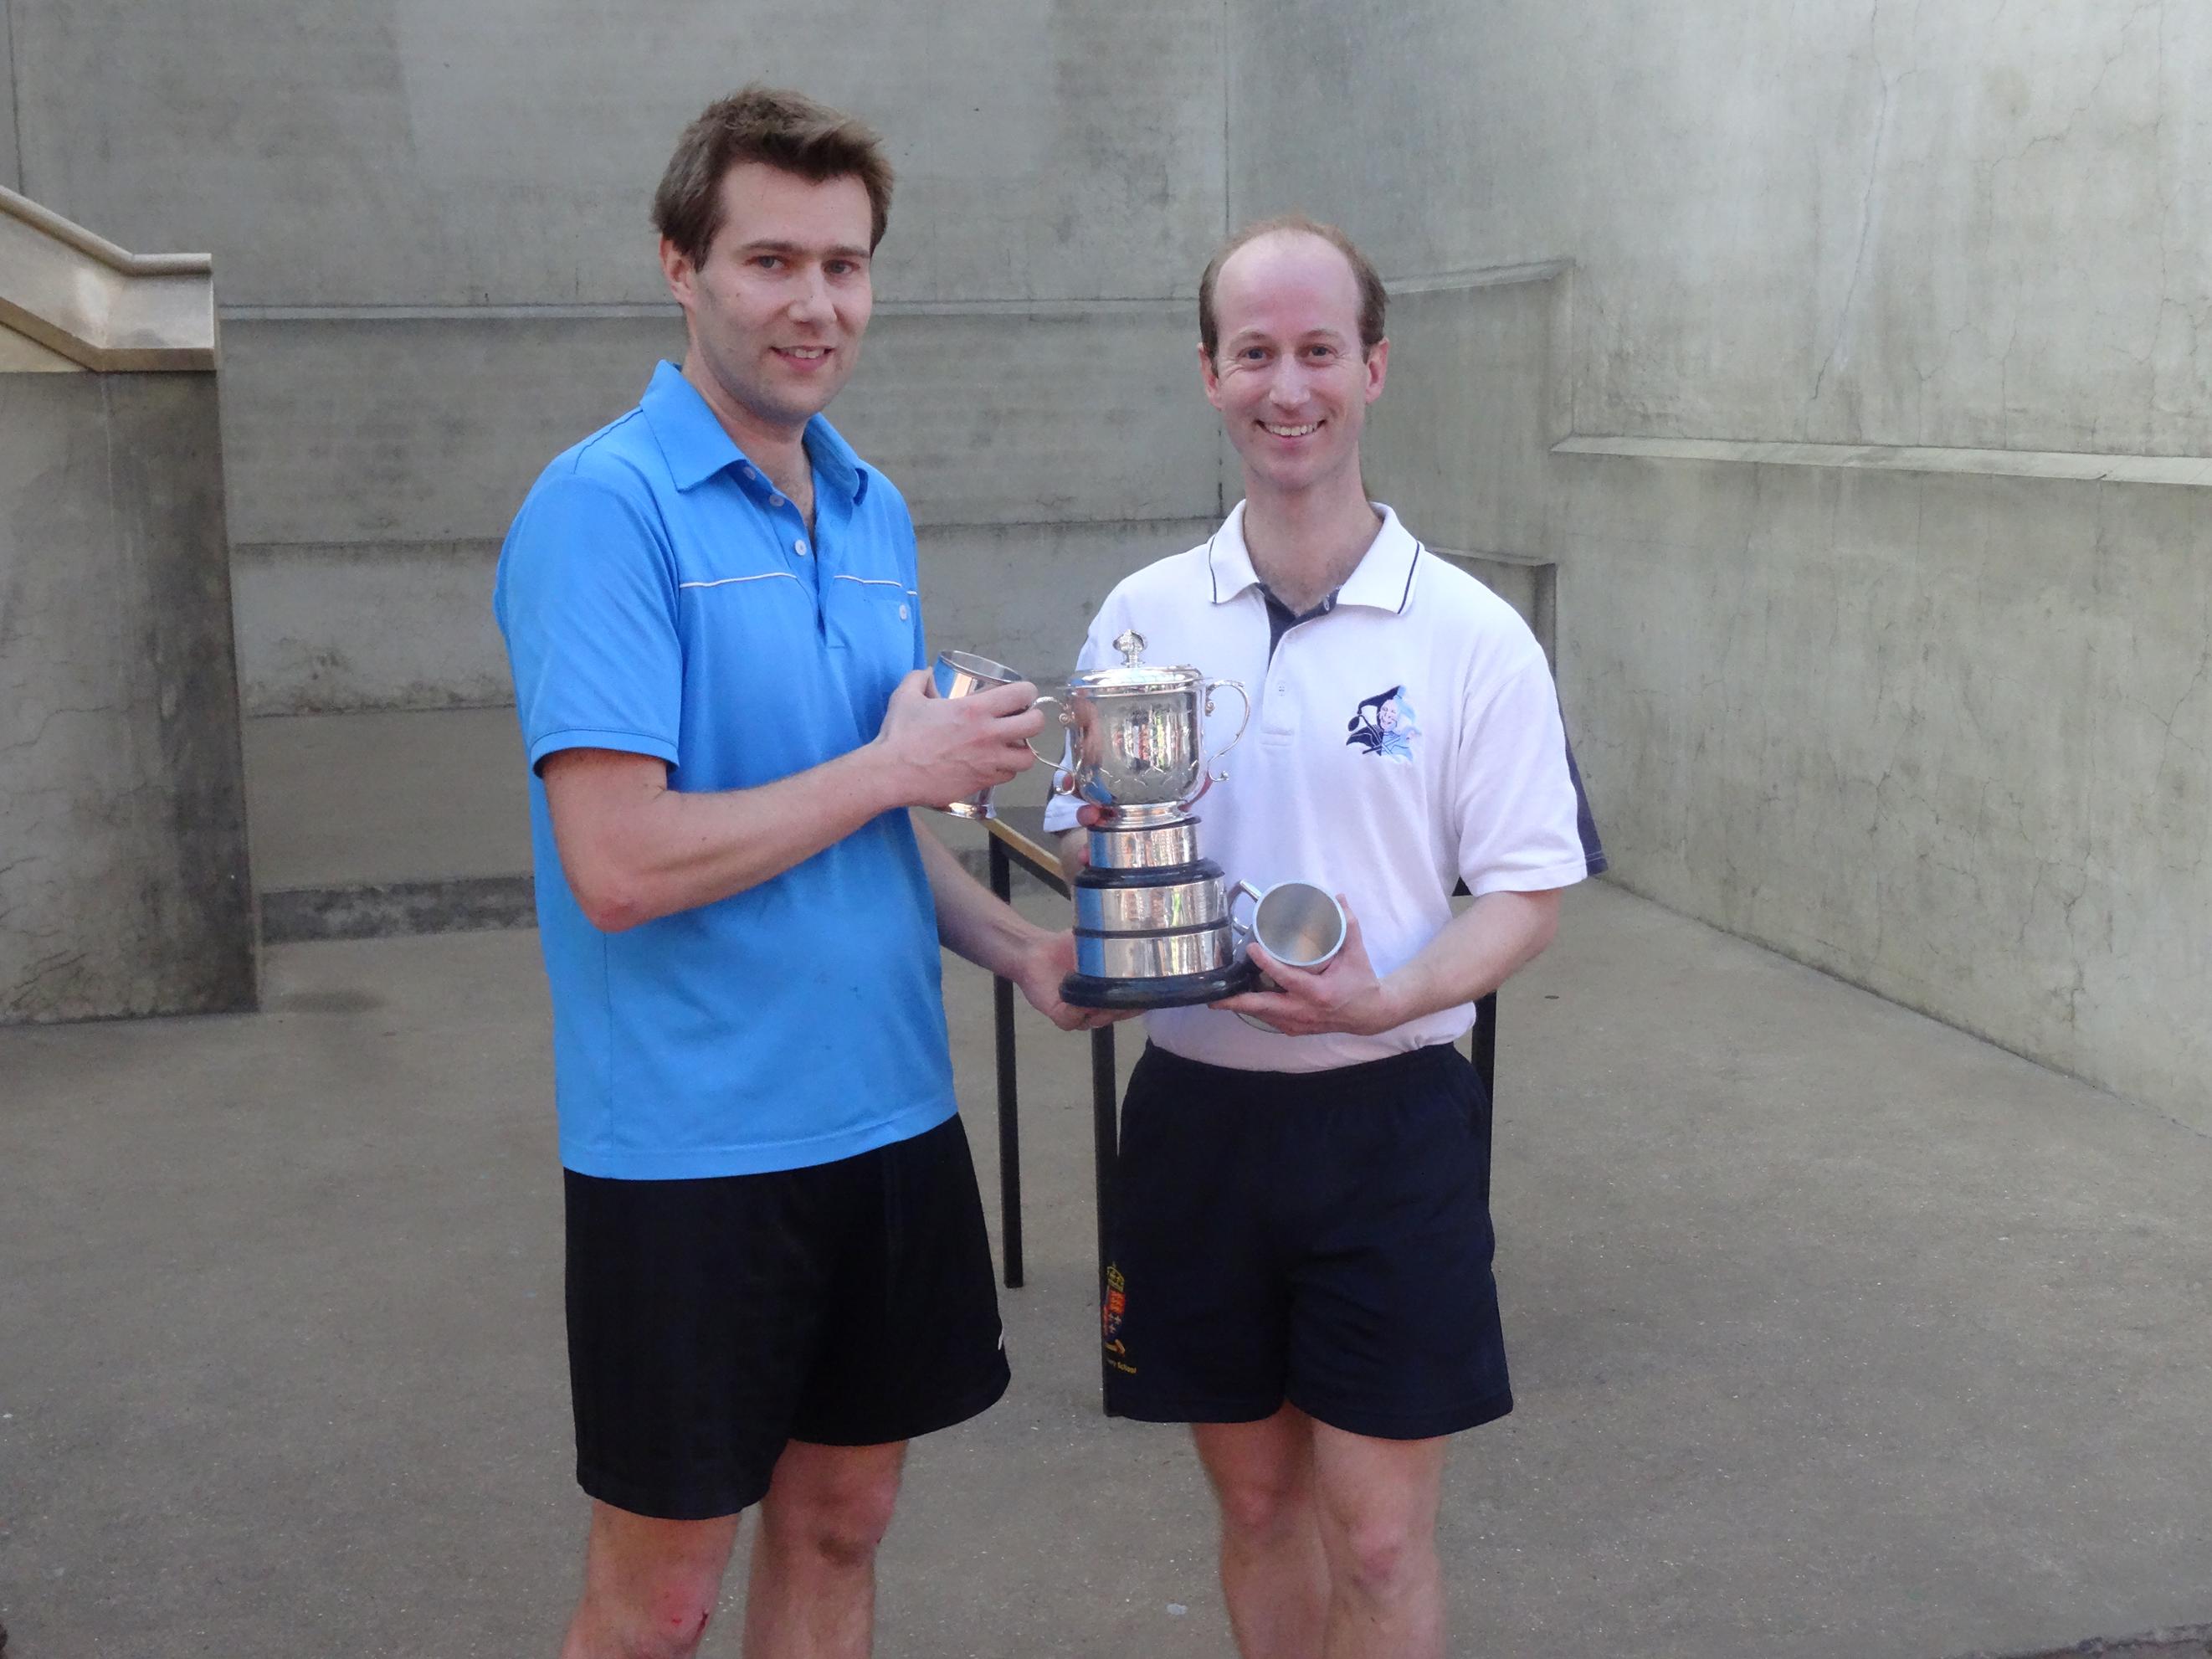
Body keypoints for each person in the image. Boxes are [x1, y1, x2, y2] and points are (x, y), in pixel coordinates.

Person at [494, 85, 1101, 1659]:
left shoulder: (871, 506)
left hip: (888, 1117)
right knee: (663, 1597)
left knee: (841, 1530)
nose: (814, 303)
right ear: (679, 266)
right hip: (692, 1152)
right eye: (772, 259)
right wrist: (896, 767)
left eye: (845, 264)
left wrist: (1011, 946)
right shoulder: (602, 510)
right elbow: (616, 862)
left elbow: (864, 829)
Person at [1049, 213, 1606, 1659]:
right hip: (1195, 1122)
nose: (1285, 387)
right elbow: (1087, 838)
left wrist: (1390, 997)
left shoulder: (1471, 635)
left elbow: (1529, 894)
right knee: (1254, 1510)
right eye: (1253, 354)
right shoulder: (1142, 620)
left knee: (1374, 1529)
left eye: (1316, 352)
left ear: (1373, 369)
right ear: (1209, 374)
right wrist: (1100, 900)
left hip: (1393, 1124)